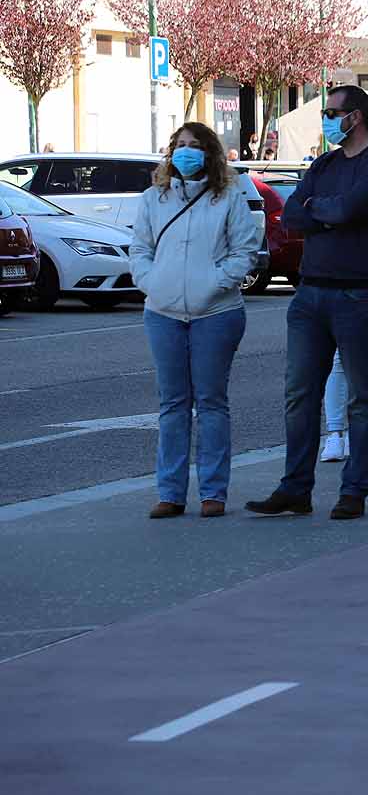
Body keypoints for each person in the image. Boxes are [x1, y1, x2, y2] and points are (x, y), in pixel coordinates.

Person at [247, 84, 368, 521]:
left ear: (355, 116)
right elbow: (293, 215)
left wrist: (325, 211)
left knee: (361, 397)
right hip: (310, 292)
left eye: (333, 113)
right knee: (299, 394)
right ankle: (295, 488)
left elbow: (349, 210)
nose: (327, 120)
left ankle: (354, 490)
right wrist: (323, 211)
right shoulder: (325, 163)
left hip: (359, 293)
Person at [131, 122, 257, 519]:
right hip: (163, 312)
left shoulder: (229, 198)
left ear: (210, 154)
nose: (186, 152)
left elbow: (245, 251)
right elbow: (139, 249)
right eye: (180, 146)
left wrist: (213, 284)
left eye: (195, 146)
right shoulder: (154, 198)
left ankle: (213, 492)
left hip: (216, 312)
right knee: (172, 403)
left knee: (211, 401)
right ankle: (170, 492)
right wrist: (153, 282)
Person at [320, 111, 368, 463]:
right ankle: (336, 433)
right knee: (340, 361)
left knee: (363, 364)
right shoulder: (343, 174)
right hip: (346, 277)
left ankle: (358, 434)